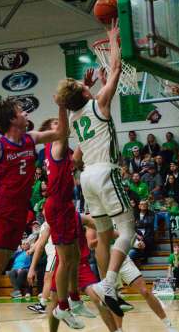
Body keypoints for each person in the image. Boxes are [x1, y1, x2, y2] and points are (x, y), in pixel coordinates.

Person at [0, 94, 68, 330]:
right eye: (21, 111)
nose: (26, 113)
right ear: (11, 119)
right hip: (2, 209)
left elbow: (61, 134)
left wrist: (61, 107)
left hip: (20, 210)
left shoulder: (30, 139)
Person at [59, 22, 131, 317]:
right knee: (127, 230)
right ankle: (111, 284)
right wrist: (114, 40)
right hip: (104, 172)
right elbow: (115, 68)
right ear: (85, 94)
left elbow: (82, 101)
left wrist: (85, 86)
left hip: (86, 178)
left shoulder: (75, 117)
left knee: (103, 235)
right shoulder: (99, 103)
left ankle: (106, 286)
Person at [40, 114, 85, 325]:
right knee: (65, 260)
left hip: (66, 204)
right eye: (55, 124)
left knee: (75, 255)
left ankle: (75, 298)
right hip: (57, 205)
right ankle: (63, 306)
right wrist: (68, 107)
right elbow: (66, 131)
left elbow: (77, 161)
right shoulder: (56, 145)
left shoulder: (64, 151)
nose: (60, 125)